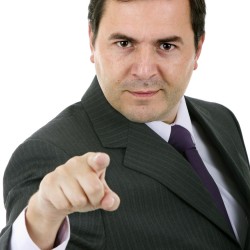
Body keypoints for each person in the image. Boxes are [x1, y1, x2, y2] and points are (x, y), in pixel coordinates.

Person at [0, 0, 249, 249]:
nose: (144, 71)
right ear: (92, 40)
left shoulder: (222, 119)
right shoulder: (53, 157)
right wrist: (42, 217)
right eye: (124, 43)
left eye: (166, 45)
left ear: (198, 48)